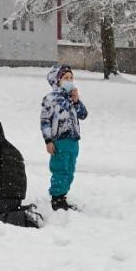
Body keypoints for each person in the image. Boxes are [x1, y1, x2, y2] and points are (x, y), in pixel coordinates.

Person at [0, 114, 43, 228]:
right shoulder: (8, 146)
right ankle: (26, 210)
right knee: (9, 209)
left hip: (6, 189)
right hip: (17, 190)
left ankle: (26, 217)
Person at [40, 65, 89, 211]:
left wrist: (77, 101)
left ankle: (63, 196)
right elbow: (45, 121)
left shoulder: (72, 98)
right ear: (58, 81)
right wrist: (48, 141)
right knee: (60, 170)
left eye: (71, 78)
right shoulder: (50, 99)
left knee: (69, 170)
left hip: (73, 141)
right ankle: (57, 199)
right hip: (59, 141)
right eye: (65, 78)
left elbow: (83, 115)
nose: (69, 80)